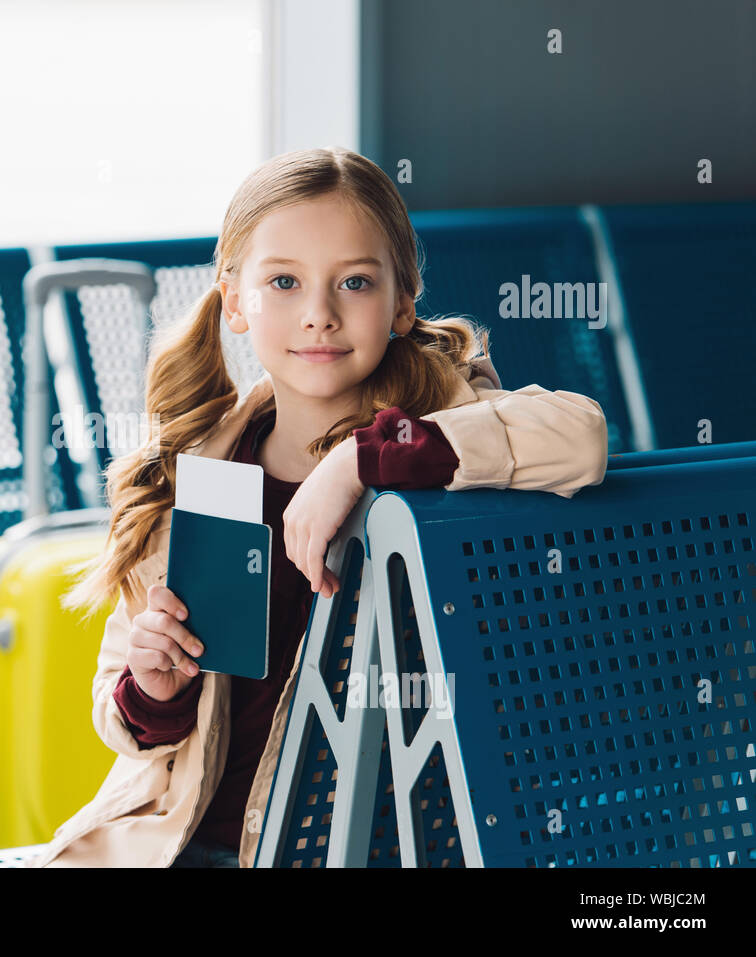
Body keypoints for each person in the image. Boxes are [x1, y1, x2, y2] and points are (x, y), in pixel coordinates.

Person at [35, 146, 608, 868]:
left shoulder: (438, 420)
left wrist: (363, 457)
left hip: (357, 843)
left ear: (402, 302)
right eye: (284, 281)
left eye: (356, 282)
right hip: (182, 836)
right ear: (236, 300)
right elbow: (122, 717)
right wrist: (155, 691)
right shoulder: (202, 465)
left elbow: (581, 436)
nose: (319, 316)